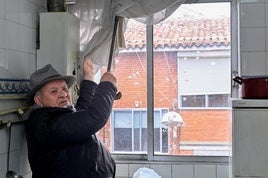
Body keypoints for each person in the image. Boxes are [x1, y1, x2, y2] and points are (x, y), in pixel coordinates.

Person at [24, 60, 117, 178]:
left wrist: (89, 77)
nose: (63, 94)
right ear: (38, 100)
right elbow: (93, 118)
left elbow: (81, 112)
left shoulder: (58, 117)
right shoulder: (47, 124)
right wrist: (108, 86)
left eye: (64, 88)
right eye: (54, 91)